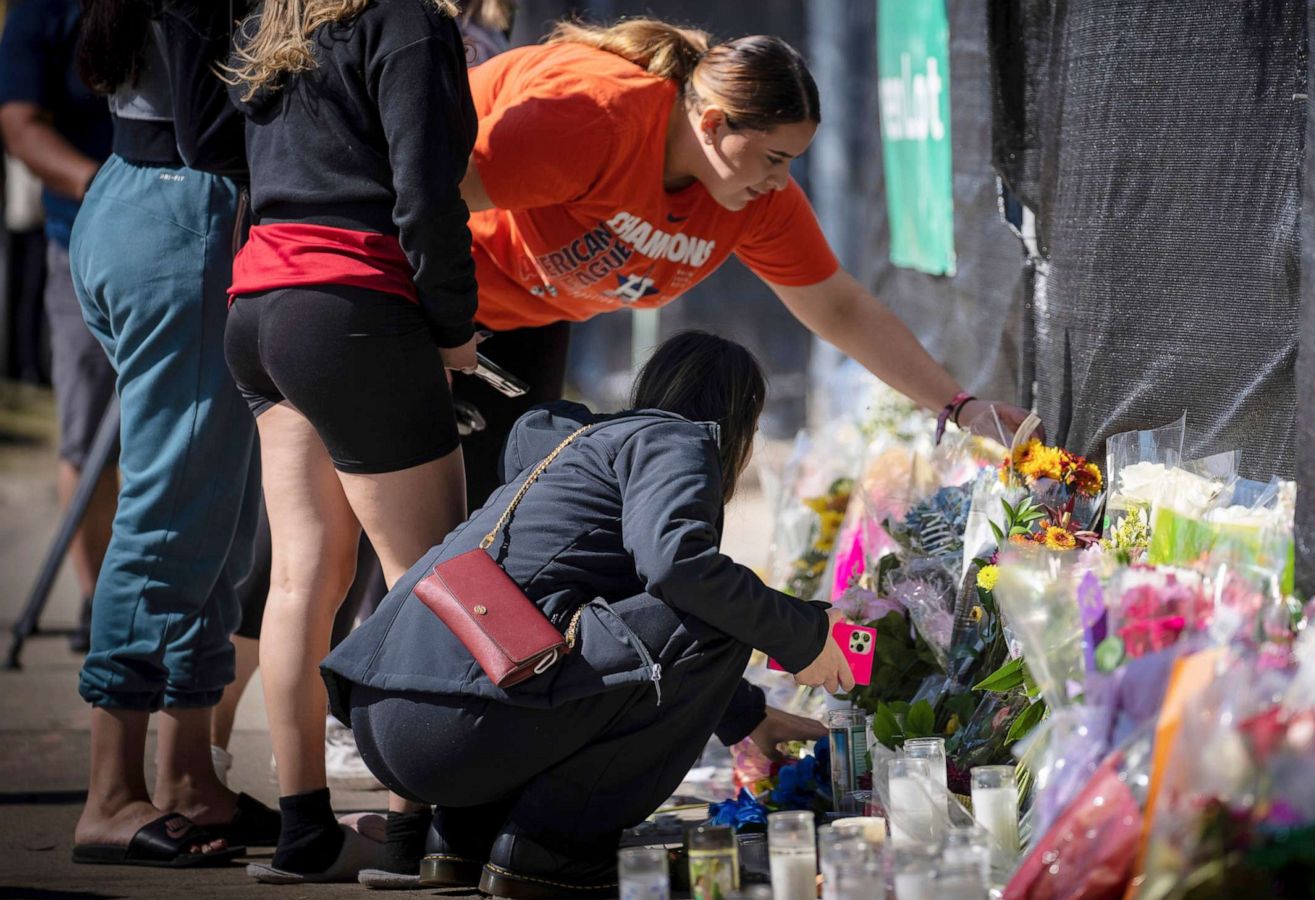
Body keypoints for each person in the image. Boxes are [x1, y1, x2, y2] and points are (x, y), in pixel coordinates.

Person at [323, 331, 850, 898]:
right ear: (738, 421)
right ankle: (554, 850)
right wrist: (809, 635)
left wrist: (746, 715)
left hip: (388, 714)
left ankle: (463, 841)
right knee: (718, 610)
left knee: (703, 608)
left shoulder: (582, 446)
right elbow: (680, 572)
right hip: (461, 725)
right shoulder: (673, 439)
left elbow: (626, 637)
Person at [450, 17, 1032, 508]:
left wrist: (962, 408)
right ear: (711, 124)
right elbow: (419, 201)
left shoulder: (756, 199)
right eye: (774, 158)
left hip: (522, 319)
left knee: (495, 519)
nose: (781, 181)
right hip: (421, 286)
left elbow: (840, 308)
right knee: (399, 538)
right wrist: (428, 333)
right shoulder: (596, 118)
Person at [222, 0, 481, 883]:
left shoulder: (275, 19)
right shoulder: (408, 23)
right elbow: (426, 192)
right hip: (353, 307)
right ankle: (413, 838)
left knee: (301, 578)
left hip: (259, 307)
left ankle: (305, 835)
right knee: (434, 578)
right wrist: (454, 328)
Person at [66, 0, 275, 868]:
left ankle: (188, 777)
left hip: (140, 201)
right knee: (171, 519)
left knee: (215, 521)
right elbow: (209, 126)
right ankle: (110, 797)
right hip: (183, 218)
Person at [0, 0, 117, 653]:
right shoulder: (40, 12)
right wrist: (105, 186)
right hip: (81, 244)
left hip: (187, 240)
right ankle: (98, 596)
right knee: (87, 432)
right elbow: (18, 126)